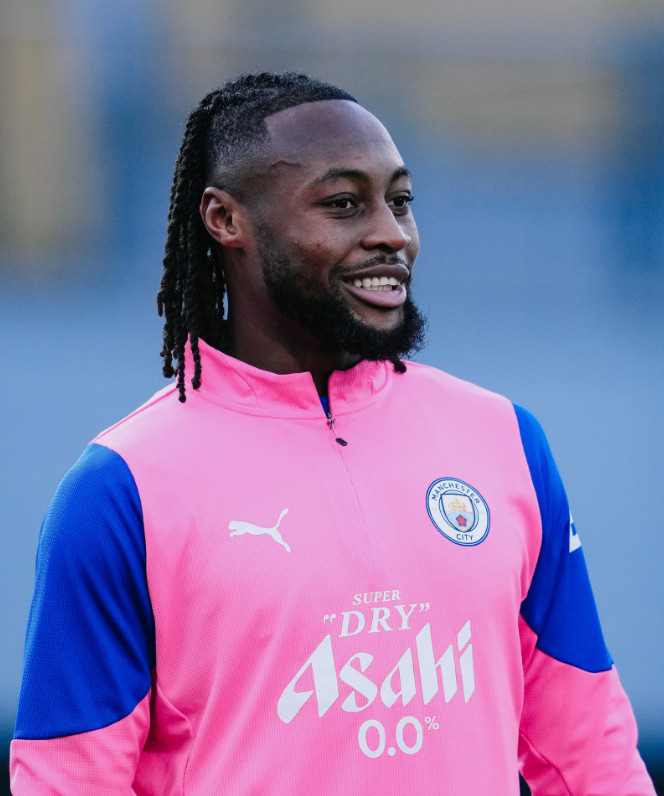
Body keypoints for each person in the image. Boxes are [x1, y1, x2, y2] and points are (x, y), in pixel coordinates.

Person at [10, 71, 655, 795]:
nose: (392, 234)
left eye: (400, 201)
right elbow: (69, 780)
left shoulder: (505, 440)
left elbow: (591, 754)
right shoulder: (121, 489)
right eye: (344, 204)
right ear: (226, 220)